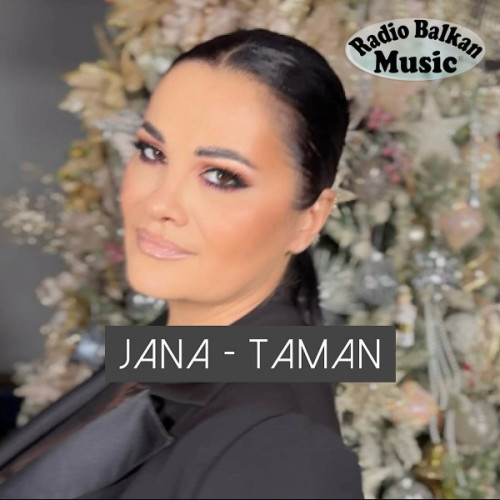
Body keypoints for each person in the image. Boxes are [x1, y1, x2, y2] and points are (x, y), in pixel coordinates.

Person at [0, 28, 364, 499]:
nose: (160, 203)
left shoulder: (282, 449)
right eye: (152, 152)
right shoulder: (170, 353)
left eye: (222, 176)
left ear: (309, 219)